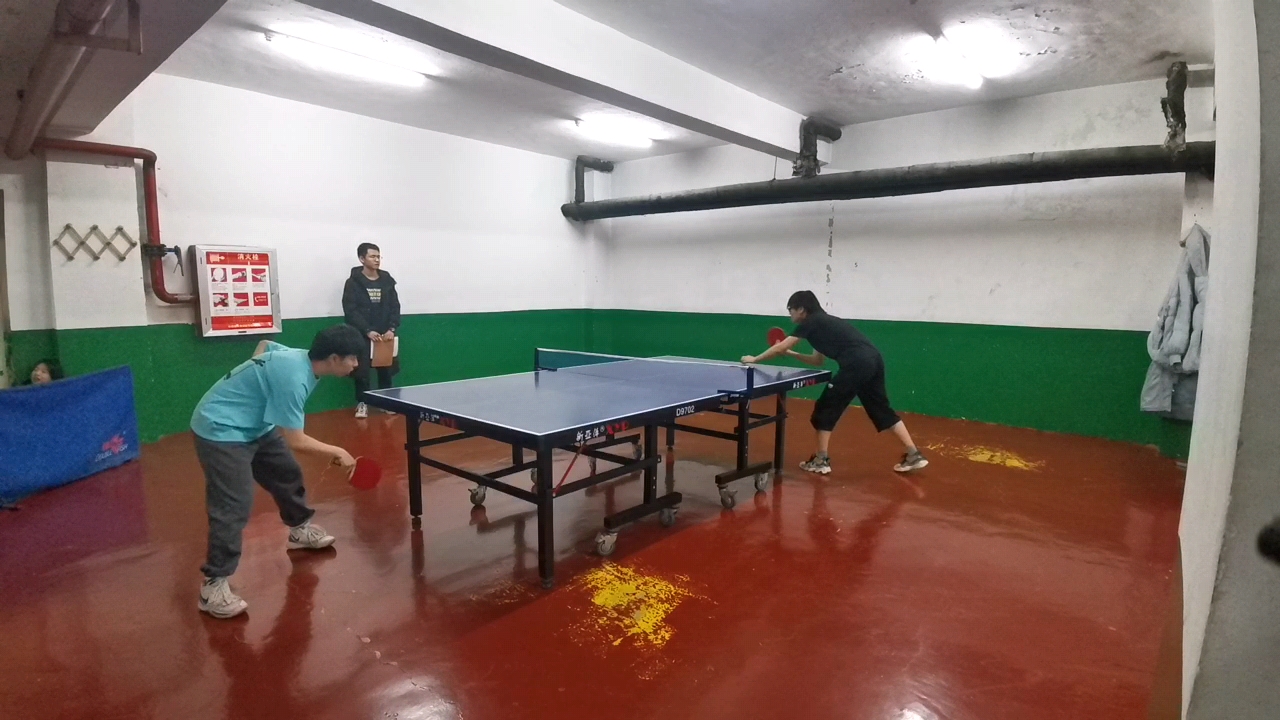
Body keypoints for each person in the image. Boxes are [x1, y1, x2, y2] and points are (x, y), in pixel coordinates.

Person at [191, 324, 363, 619]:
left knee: (286, 473)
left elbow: (265, 344)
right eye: (352, 358)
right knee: (234, 504)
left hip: (257, 426)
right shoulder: (295, 379)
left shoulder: (297, 356)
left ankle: (300, 532)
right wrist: (338, 452)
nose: (356, 364)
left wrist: (254, 384)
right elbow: (297, 440)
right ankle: (213, 585)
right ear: (334, 358)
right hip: (220, 428)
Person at [741, 290, 928, 475]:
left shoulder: (811, 322)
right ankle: (914, 454)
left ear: (801, 309)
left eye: (791, 310)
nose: (790, 314)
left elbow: (780, 346)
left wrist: (754, 359)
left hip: (856, 364)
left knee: (825, 409)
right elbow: (817, 361)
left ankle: (820, 460)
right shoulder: (823, 323)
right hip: (874, 360)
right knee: (881, 409)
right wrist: (791, 353)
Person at [342, 242, 401, 419]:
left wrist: (391, 328)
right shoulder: (353, 283)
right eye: (372, 256)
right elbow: (350, 310)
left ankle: (386, 402)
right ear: (362, 259)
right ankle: (362, 403)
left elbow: (395, 306)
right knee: (361, 372)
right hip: (362, 335)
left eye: (378, 256)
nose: (377, 260)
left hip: (385, 334)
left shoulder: (387, 281)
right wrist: (367, 330)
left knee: (386, 370)